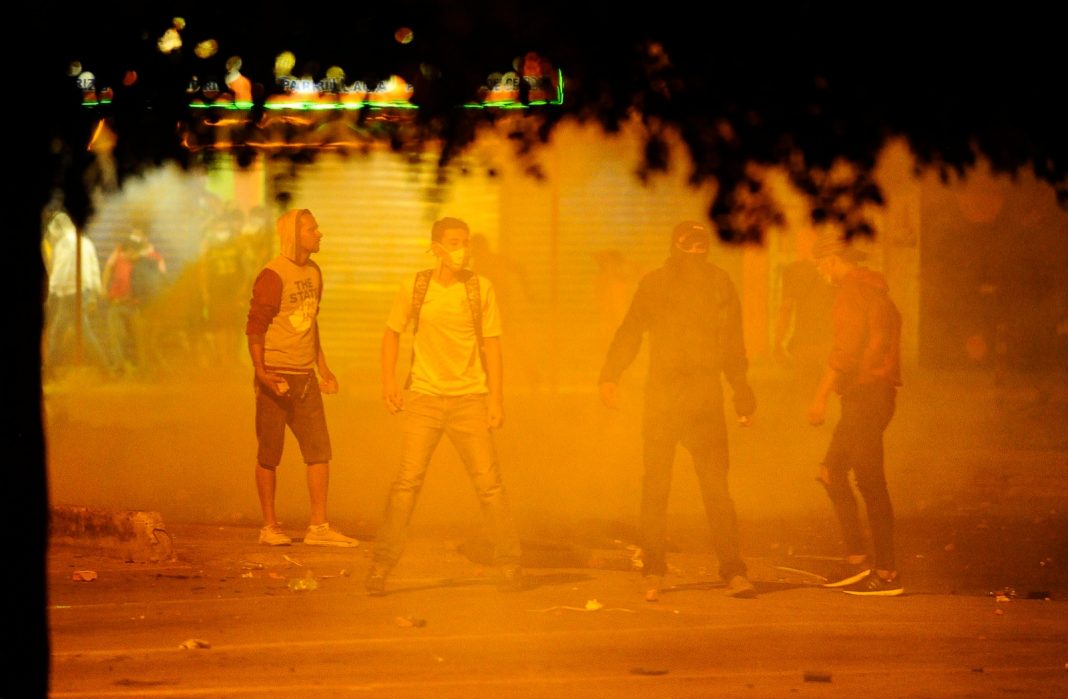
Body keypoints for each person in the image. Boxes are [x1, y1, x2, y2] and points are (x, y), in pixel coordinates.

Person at [598, 220, 758, 601]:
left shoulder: (719, 283)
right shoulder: (654, 284)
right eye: (689, 244)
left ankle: (733, 571)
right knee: (656, 488)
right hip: (663, 401)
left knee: (717, 490)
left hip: (704, 401)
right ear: (674, 246)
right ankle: (653, 570)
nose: (696, 250)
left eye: (702, 243)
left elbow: (732, 342)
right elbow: (631, 331)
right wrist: (610, 375)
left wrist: (741, 391)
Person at [368, 216, 524, 595]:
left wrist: (496, 399)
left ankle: (510, 565)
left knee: (490, 485)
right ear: (436, 247)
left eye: (466, 242)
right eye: (454, 242)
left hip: (470, 398)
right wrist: (389, 381)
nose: (462, 249)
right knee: (407, 483)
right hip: (424, 398)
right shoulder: (416, 286)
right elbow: (391, 334)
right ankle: (380, 567)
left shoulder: (480, 289)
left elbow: (493, 346)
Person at [245, 208, 358, 548]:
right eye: (312, 228)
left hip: (305, 377)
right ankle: (270, 526)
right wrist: (262, 372)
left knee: (319, 451)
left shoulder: (314, 272)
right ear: (294, 234)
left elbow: (311, 321)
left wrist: (323, 366)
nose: (319, 233)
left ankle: (319, 527)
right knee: (269, 454)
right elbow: (255, 328)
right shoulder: (272, 275)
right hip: (277, 376)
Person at [807, 232, 903, 596]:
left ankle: (888, 573)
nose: (820, 272)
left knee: (870, 482)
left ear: (832, 261)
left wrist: (819, 398)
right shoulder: (876, 290)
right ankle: (856, 563)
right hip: (871, 395)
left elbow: (845, 351)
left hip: (866, 394)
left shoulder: (851, 291)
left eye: (820, 265)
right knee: (831, 472)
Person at [43, 211, 112, 377]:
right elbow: (94, 267)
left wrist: (51, 292)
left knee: (67, 331)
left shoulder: (63, 244)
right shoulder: (85, 242)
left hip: (68, 293)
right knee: (67, 331)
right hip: (83, 291)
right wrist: (95, 291)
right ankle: (49, 370)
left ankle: (106, 369)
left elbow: (60, 270)